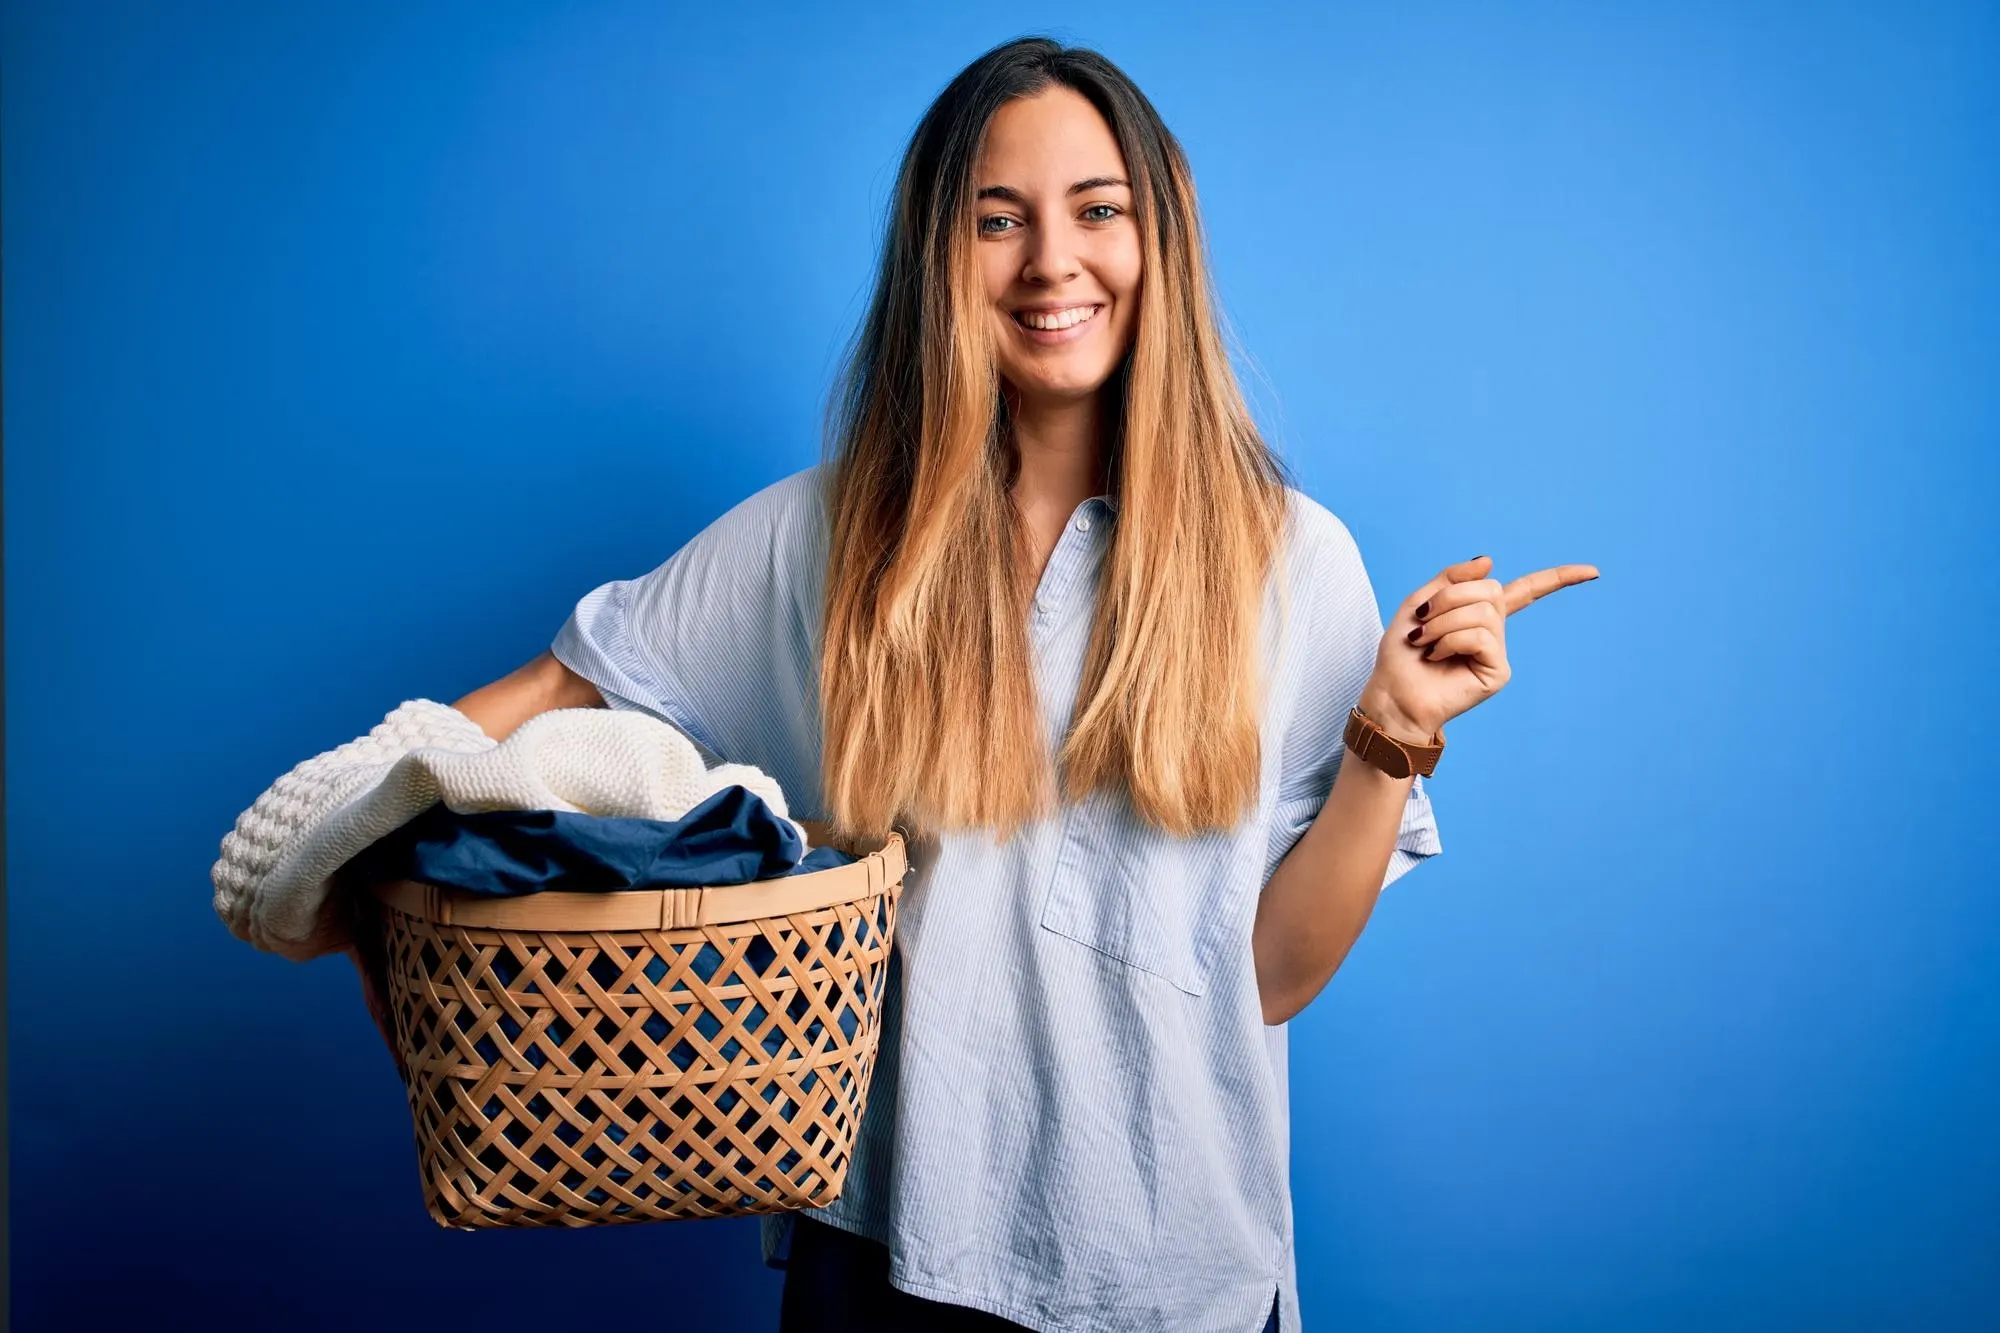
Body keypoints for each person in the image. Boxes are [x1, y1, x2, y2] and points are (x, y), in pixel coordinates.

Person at [349, 34, 1597, 1332]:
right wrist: (356, 824)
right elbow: (555, 692)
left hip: (1177, 1281)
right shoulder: (831, 541)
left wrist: (1392, 735)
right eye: (999, 219)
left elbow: (1270, 977)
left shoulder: (1294, 561)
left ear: (1158, 235)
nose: (1053, 261)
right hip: (883, 1264)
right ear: (939, 258)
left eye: (1097, 210)